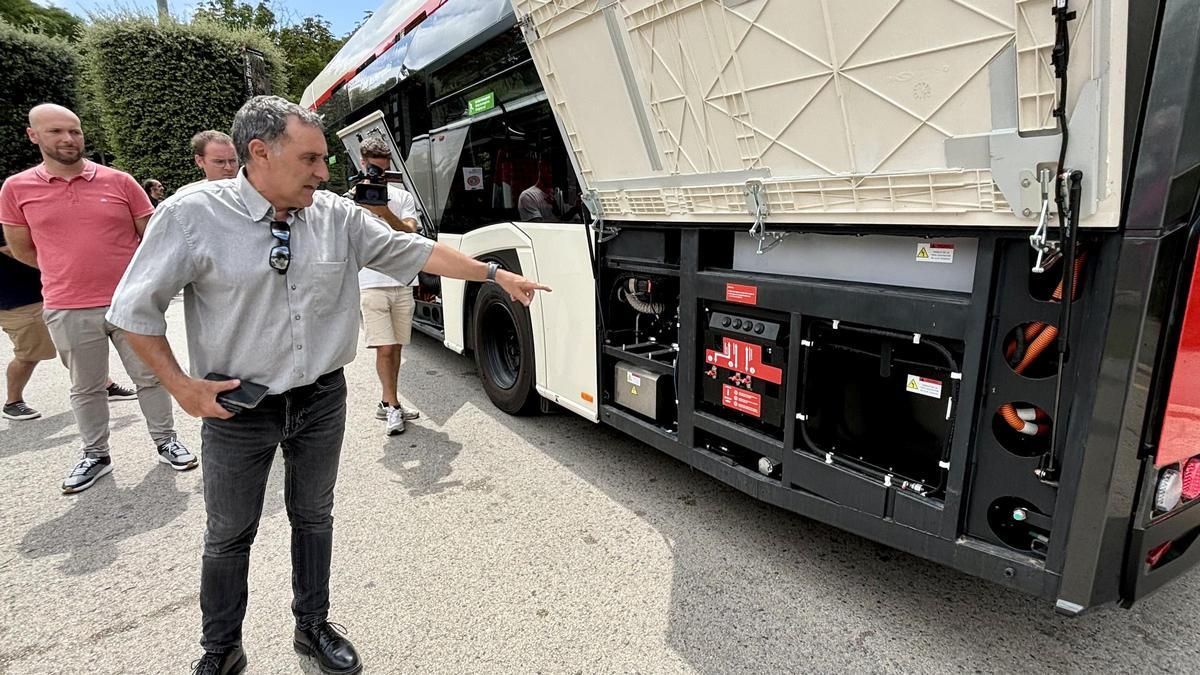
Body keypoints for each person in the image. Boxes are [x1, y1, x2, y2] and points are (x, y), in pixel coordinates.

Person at [106, 95, 550, 675]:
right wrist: (182, 388)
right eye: (311, 158)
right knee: (228, 533)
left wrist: (494, 273)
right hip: (238, 407)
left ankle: (311, 626)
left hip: (321, 399)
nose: (324, 172)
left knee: (313, 517)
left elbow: (412, 251)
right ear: (259, 153)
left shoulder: (335, 215)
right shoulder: (193, 214)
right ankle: (220, 649)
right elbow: (133, 310)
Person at [0, 103, 194, 493]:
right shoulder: (16, 188)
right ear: (33, 136)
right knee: (85, 386)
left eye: (74, 131)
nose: (68, 139)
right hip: (67, 304)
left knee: (151, 377)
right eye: (55, 132)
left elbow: (150, 238)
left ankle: (165, 440)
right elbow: (21, 248)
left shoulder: (119, 181)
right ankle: (95, 454)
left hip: (129, 304)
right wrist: (65, 270)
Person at [0, 229, 137, 421]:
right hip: (21, 299)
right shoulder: (6, 208)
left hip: (52, 290)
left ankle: (104, 385)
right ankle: (13, 402)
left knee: (78, 342)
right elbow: (11, 248)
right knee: (30, 354)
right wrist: (62, 264)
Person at [354, 136, 422, 435]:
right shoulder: (349, 199)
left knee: (396, 347)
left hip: (402, 281)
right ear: (362, 163)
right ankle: (394, 407)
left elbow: (411, 233)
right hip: (371, 284)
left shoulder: (402, 197)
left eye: (380, 169)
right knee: (384, 348)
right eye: (371, 168)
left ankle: (386, 401)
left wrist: (384, 212)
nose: (375, 175)